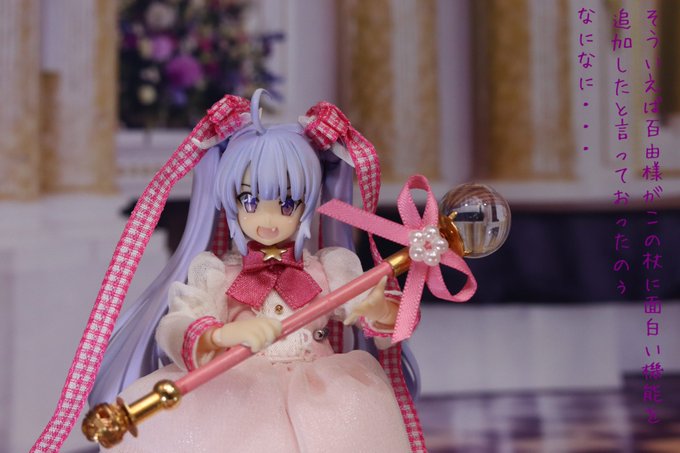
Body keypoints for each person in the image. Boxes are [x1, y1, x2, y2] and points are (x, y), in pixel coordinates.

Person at [94, 90, 412, 452]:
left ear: (307, 206)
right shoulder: (217, 273)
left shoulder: (328, 267)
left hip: (321, 392)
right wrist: (221, 335)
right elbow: (177, 324)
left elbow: (385, 319)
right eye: (250, 201)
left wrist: (378, 309)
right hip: (238, 389)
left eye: (288, 203)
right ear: (231, 203)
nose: (267, 219)